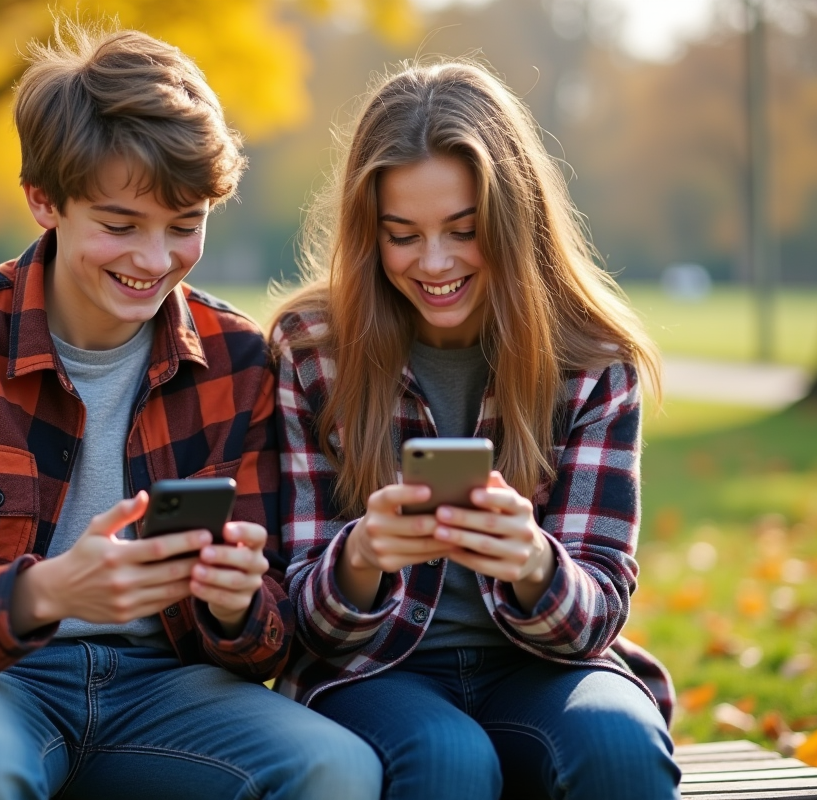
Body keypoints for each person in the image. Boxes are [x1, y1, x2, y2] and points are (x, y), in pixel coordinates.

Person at [0, 22, 381, 800]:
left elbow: (271, 637)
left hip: (165, 692)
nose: (153, 260)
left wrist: (241, 604)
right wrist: (45, 594)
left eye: (185, 226)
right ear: (45, 200)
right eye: (119, 226)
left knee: (338, 770)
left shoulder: (239, 359)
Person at [270, 59, 682, 800]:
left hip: (544, 668)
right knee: (448, 762)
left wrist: (532, 562)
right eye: (403, 235)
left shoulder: (590, 360)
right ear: (371, 235)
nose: (434, 263)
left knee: (621, 745)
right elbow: (303, 619)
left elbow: (593, 617)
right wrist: (360, 556)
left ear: (513, 219)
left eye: (464, 231)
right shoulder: (312, 351)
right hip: (375, 673)